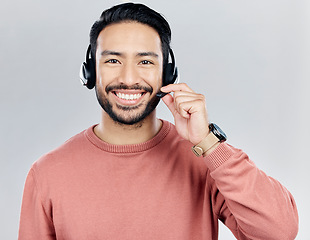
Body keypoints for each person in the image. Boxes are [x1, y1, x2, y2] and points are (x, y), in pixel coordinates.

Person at [18, 3, 298, 240]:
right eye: (113, 60)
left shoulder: (203, 160)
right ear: (90, 72)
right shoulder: (47, 174)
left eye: (146, 62)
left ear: (168, 73)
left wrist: (209, 144)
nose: (128, 78)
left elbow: (280, 231)